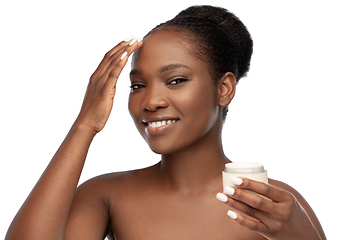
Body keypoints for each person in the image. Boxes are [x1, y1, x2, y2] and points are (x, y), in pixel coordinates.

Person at [5, 5, 326, 240]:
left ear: (224, 88)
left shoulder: (274, 204)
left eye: (175, 80)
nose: (151, 101)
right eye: (137, 85)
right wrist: (84, 125)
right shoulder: (107, 195)